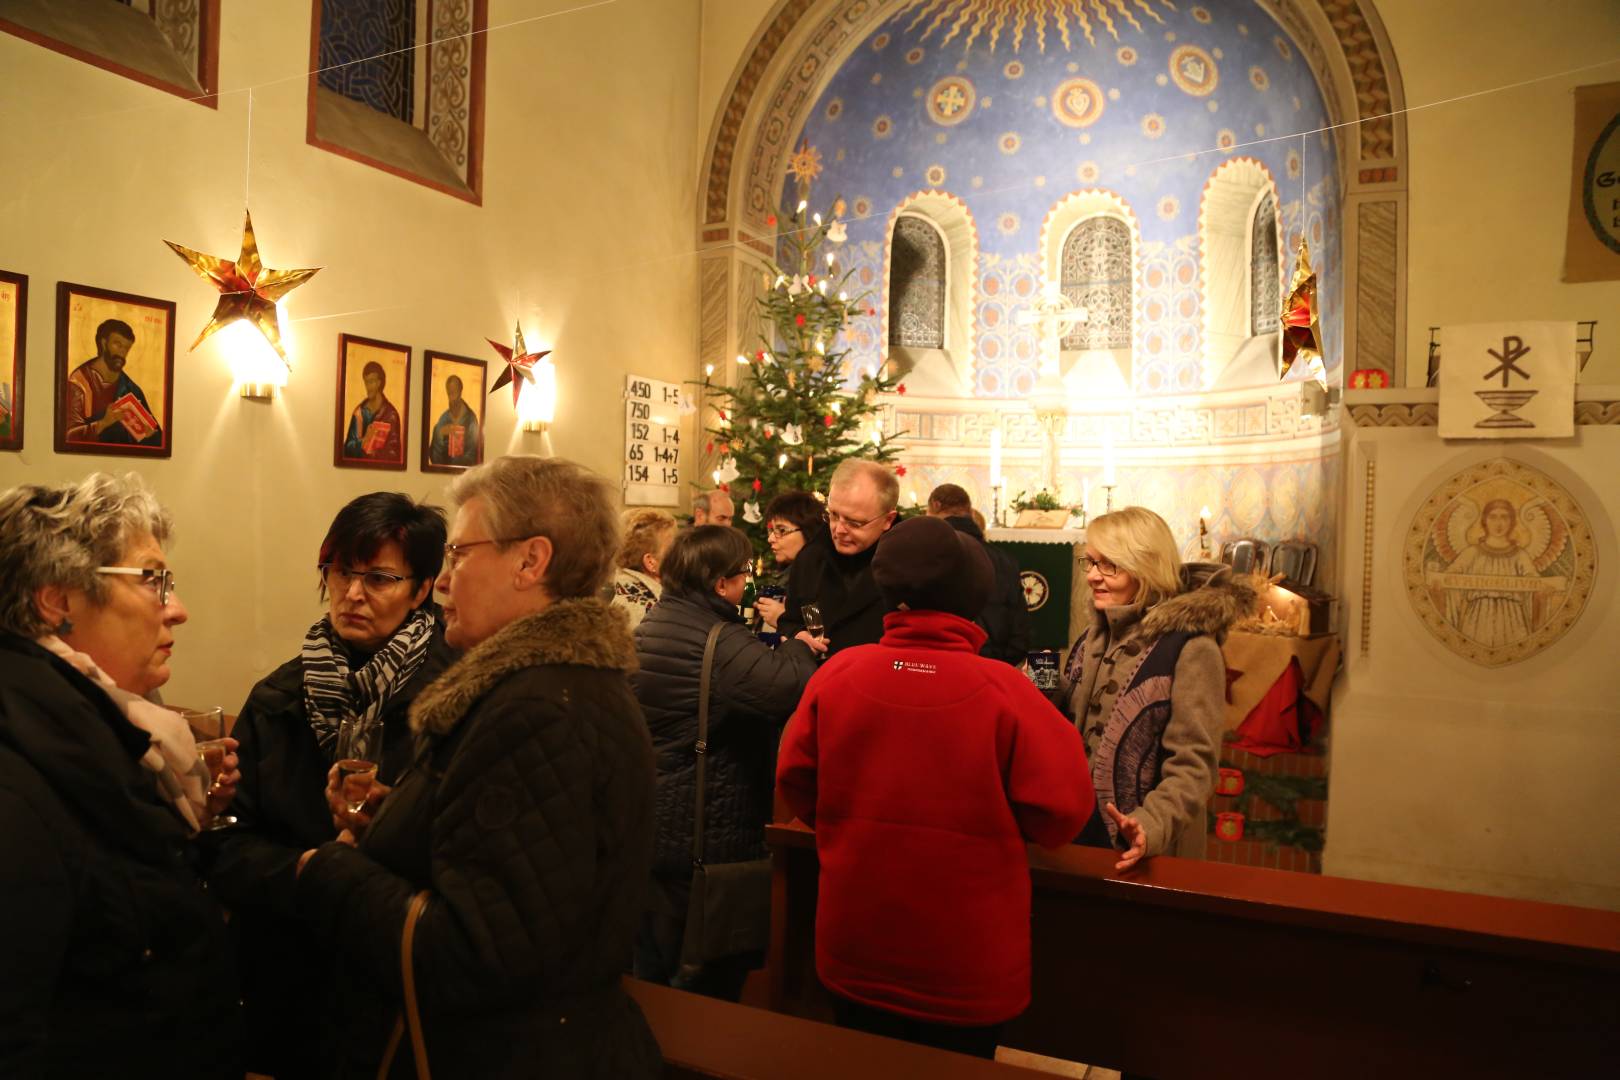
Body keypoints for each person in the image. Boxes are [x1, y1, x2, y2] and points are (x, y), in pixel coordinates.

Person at [294, 455, 660, 1079]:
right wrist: (397, 818)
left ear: (529, 561)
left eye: (460, 554)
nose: (442, 580)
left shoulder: (539, 711)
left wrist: (331, 871)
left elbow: (476, 953)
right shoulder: (547, 688)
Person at [776, 516, 1093, 1060]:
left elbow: (797, 784)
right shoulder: (1006, 692)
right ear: (975, 595)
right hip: (966, 961)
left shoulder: (839, 674)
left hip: (857, 941)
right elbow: (1063, 815)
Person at [204, 492, 456, 1080]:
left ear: (423, 589)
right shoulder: (280, 696)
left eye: (380, 577)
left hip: (400, 980)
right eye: (341, 571)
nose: (352, 593)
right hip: (288, 974)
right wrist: (307, 871)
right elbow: (225, 841)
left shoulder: (454, 700)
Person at [0, 473, 240, 1077]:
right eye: (152, 580)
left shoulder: (100, 736)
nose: (177, 610)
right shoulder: (19, 773)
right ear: (57, 603)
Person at [629, 525, 820, 1000]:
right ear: (720, 584)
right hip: (705, 839)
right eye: (743, 574)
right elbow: (781, 689)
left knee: (652, 977)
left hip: (654, 832)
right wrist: (798, 646)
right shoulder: (717, 639)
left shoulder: (653, 623)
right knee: (703, 988)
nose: (746, 583)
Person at [1057, 506, 1254, 868]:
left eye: (1109, 565)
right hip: (1076, 836)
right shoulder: (1091, 637)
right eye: (1091, 562)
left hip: (1147, 849)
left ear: (1144, 567)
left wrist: (1150, 825)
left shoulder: (1191, 648)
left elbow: (1194, 767)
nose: (1093, 577)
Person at [775, 459, 899, 655]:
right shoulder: (811, 558)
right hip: (817, 679)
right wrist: (797, 635)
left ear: (888, 520)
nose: (838, 530)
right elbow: (791, 621)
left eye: (854, 522)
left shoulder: (908, 566)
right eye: (832, 515)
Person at [927, 483, 1032, 665]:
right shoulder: (1004, 559)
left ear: (935, 506)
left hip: (940, 666)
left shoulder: (926, 553)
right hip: (993, 666)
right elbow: (1020, 632)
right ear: (969, 511)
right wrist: (999, 665)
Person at [64, 318, 163, 445]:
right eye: (117, 344)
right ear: (104, 343)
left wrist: (149, 435)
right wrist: (103, 423)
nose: (122, 352)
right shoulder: (80, 382)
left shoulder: (130, 388)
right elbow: (68, 435)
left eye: (126, 348)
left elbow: (158, 441)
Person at [754, 489, 828, 633]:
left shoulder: (817, 579)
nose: (771, 539)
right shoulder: (789, 575)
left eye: (782, 531)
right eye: (772, 530)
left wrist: (782, 618)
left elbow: (818, 633)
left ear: (808, 531)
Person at [613, 508, 677, 631]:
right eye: (673, 549)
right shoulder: (653, 612)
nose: (680, 554)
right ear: (651, 562)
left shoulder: (624, 598)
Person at [343, 360, 402, 462]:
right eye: (366, 382)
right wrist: (363, 442)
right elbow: (347, 448)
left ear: (379, 383)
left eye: (371, 382)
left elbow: (395, 452)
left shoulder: (391, 414)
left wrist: (375, 452)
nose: (368, 387)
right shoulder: (359, 413)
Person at [428, 374, 481, 467]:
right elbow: (434, 457)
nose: (452, 398)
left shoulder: (471, 420)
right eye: (449, 393)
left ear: (460, 392)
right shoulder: (443, 419)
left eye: (454, 392)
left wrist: (456, 464)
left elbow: (473, 454)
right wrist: (440, 434)